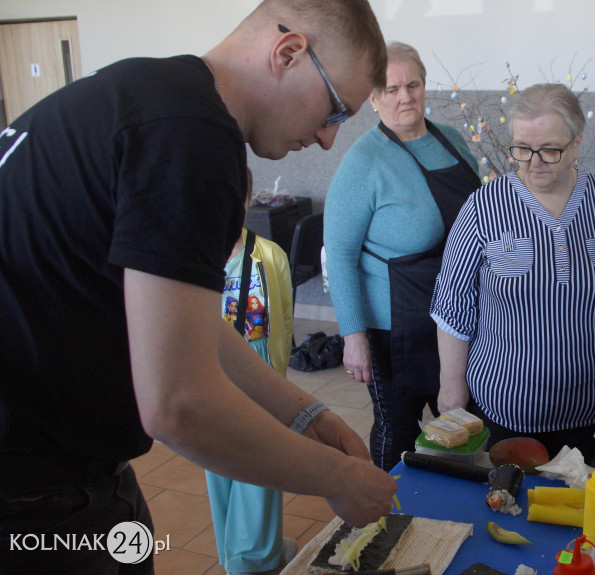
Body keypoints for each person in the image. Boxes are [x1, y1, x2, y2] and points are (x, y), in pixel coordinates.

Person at [0, 2, 394, 573]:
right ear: (289, 53)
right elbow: (179, 406)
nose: (329, 139)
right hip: (37, 501)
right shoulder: (193, 134)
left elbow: (185, 324)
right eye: (335, 111)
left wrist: (306, 414)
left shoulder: (144, 91)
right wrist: (339, 480)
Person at [431, 83, 595, 462]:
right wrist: (451, 388)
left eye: (550, 150)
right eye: (522, 148)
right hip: (508, 410)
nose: (534, 162)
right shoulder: (484, 207)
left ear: (576, 143)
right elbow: (453, 304)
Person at [325, 42, 481, 471]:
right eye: (391, 89)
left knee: (466, 423)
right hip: (395, 328)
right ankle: (386, 504)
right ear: (373, 99)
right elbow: (339, 254)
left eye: (413, 85)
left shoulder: (451, 140)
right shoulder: (363, 162)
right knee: (398, 430)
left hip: (461, 315)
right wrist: (353, 337)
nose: (405, 97)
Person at [206, 169, 296, 575]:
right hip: (210, 372)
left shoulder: (269, 255)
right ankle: (239, 556)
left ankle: (258, 553)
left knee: (260, 462)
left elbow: (283, 320)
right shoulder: (188, 257)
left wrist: (278, 378)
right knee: (219, 464)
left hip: (259, 370)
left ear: (246, 201)